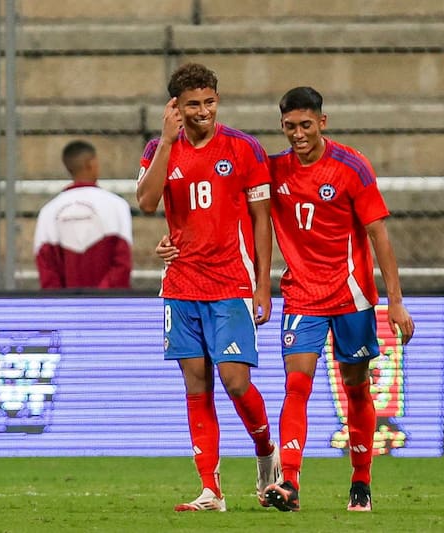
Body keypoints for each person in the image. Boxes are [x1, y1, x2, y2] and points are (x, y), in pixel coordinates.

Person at [157, 86, 416, 512]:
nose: (298, 134)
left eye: (306, 125)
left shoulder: (352, 167)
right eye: (290, 126)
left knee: (355, 388)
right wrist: (173, 240)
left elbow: (378, 235)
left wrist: (396, 301)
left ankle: (361, 482)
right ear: (282, 126)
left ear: (322, 123)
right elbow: (224, 203)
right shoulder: (273, 169)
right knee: (297, 385)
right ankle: (289, 481)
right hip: (301, 297)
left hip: (352, 296)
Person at [135, 62, 280, 512]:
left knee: (236, 382)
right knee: (196, 385)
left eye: (210, 102)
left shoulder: (243, 148)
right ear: (175, 107)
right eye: (193, 104)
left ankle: (266, 453)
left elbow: (261, 220)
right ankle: (211, 490)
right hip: (180, 284)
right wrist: (165, 142)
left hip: (231, 283)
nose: (204, 111)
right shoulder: (160, 149)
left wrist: (262, 284)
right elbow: (145, 202)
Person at [33, 140, 132, 289]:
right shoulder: (117, 206)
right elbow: (122, 264)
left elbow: (47, 269)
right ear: (91, 163)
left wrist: (62, 303)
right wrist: (101, 298)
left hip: (65, 307)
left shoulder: (49, 211)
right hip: (109, 306)